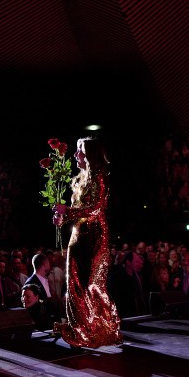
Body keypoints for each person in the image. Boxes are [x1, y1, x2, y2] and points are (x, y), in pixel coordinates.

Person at [52, 136, 122, 348]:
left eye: (79, 150)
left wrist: (69, 211)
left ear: (90, 154)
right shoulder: (78, 180)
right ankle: (81, 329)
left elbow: (97, 208)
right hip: (78, 234)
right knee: (74, 281)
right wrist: (61, 218)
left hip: (96, 235)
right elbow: (77, 212)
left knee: (92, 284)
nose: (75, 155)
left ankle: (103, 329)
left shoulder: (100, 177)